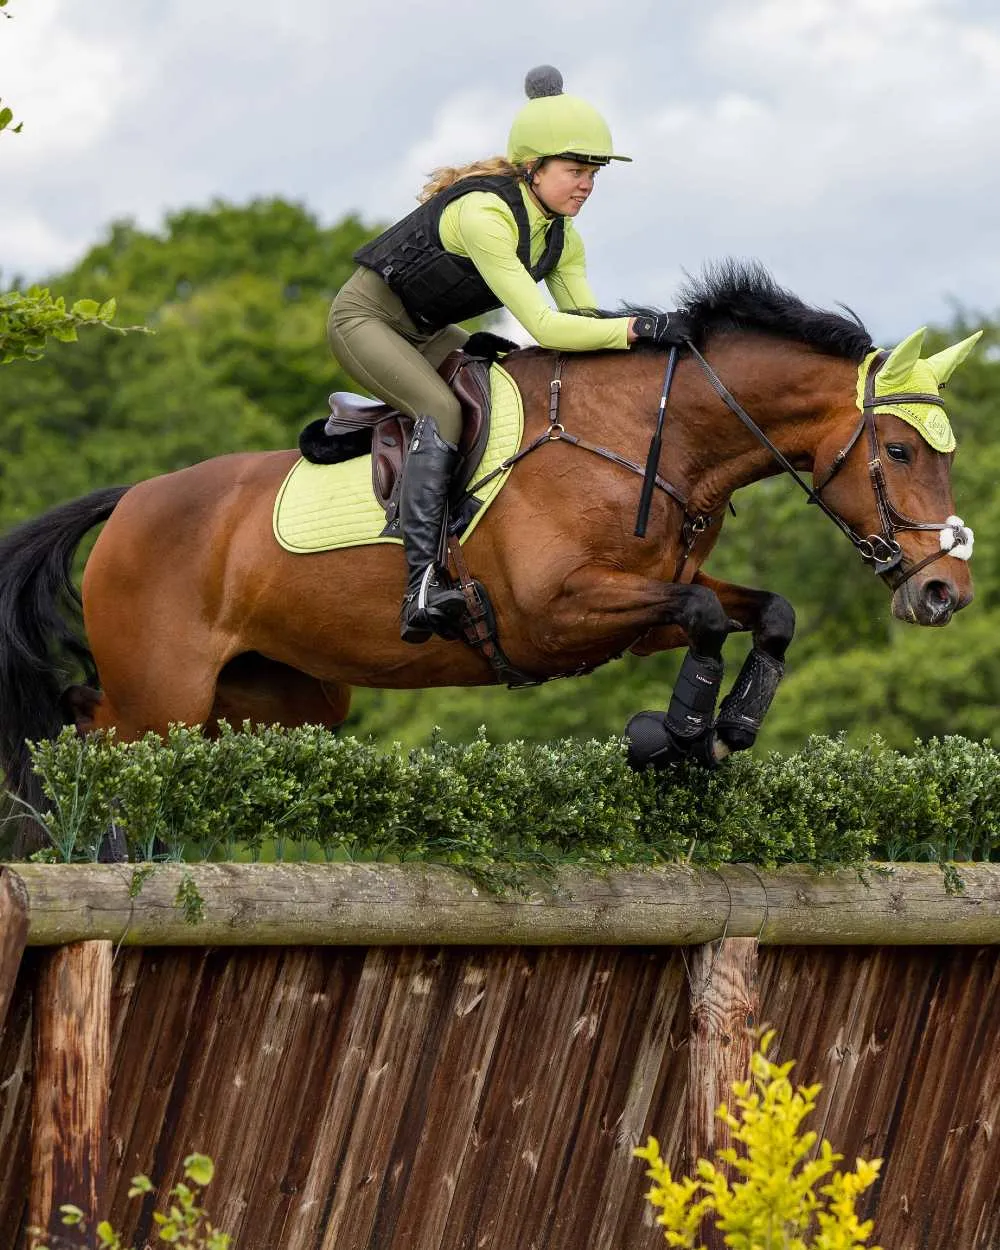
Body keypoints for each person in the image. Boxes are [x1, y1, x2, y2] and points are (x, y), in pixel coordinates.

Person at [328, 65, 689, 645]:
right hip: (365, 322)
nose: (586, 186)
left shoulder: (561, 235)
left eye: (593, 174)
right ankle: (420, 584)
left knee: (501, 391)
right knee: (441, 413)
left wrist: (663, 335)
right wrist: (637, 330)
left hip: (430, 331)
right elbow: (546, 326)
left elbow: (585, 323)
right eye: (575, 171)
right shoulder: (484, 214)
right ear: (533, 168)